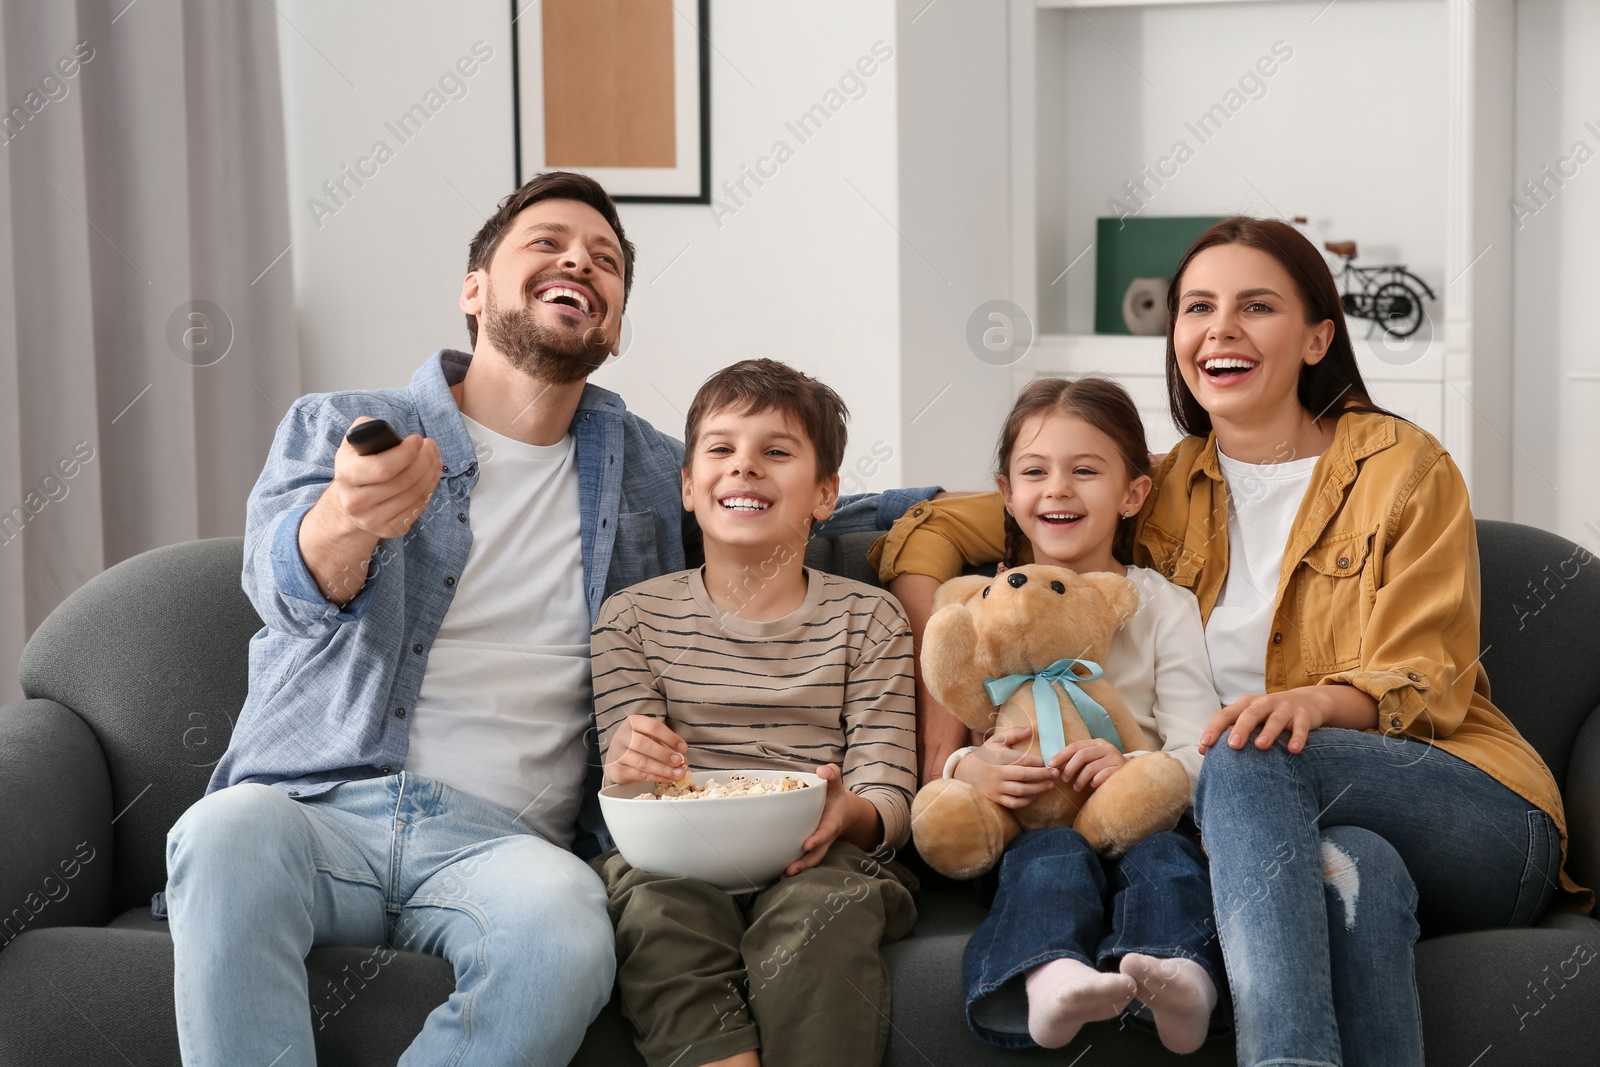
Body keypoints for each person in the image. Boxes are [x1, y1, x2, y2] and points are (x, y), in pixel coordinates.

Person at [161, 173, 936, 1066]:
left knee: (572, 936)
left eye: (605, 262)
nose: (580, 260)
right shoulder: (347, 427)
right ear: (474, 288)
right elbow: (283, 587)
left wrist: (999, 508)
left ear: (609, 325)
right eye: (549, 243)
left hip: (506, 847)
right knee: (220, 835)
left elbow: (794, 497)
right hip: (317, 809)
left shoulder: (650, 468)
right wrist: (347, 517)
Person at [869, 217, 1589, 1067]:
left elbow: (1428, 677)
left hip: (1473, 809)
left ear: (1319, 335)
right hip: (1296, 820)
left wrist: (1314, 702)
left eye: (1257, 306)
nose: (1220, 329)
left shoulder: (1403, 467)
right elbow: (932, 524)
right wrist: (949, 736)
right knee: (1356, 869)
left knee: (1244, 747)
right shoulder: (1161, 483)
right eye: (1198, 307)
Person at [592, 359, 920, 1067]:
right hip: (673, 859)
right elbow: (628, 784)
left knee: (821, 918)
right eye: (720, 449)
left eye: (776, 451)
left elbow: (890, 793)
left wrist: (847, 810)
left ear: (825, 493)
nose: (745, 467)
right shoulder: (632, 619)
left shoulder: (870, 618)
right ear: (687, 484)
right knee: (654, 915)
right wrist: (628, 766)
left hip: (824, 857)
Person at [921, 377, 1225, 1053]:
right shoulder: (986, 606)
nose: (1057, 489)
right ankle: (1053, 976)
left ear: (1133, 493)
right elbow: (959, 721)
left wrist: (1132, 764)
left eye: (1085, 471)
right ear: (1007, 492)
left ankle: (1182, 980)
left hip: (1140, 817)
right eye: (1035, 472)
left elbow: (1199, 742)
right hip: (1036, 823)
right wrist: (968, 767)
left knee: (1168, 861)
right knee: (1048, 857)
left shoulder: (1159, 605)